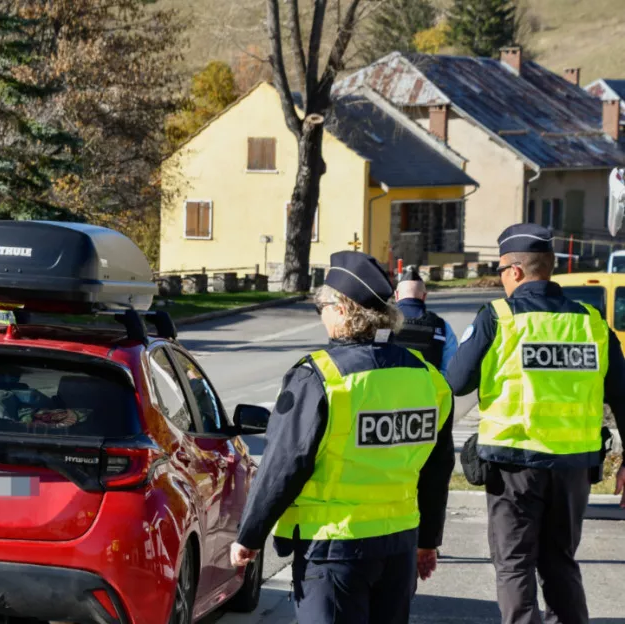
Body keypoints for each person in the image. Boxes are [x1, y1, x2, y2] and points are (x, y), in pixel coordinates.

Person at [231, 250, 455, 624]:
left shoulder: (319, 377)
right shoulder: (428, 377)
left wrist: (250, 535)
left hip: (334, 549)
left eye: (322, 305)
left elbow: (285, 463)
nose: (321, 313)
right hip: (399, 544)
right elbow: (437, 467)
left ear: (342, 309)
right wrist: (428, 540)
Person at [445, 223, 625, 624]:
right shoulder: (592, 323)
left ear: (515, 271)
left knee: (514, 564)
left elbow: (457, 381)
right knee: (560, 562)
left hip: (514, 467)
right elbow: (623, 398)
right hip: (574, 468)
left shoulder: (498, 317)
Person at [392, 268, 459, 372]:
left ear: (396, 295)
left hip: (389, 386)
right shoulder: (441, 327)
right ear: (424, 296)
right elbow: (450, 370)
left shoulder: (382, 324)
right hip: (430, 387)